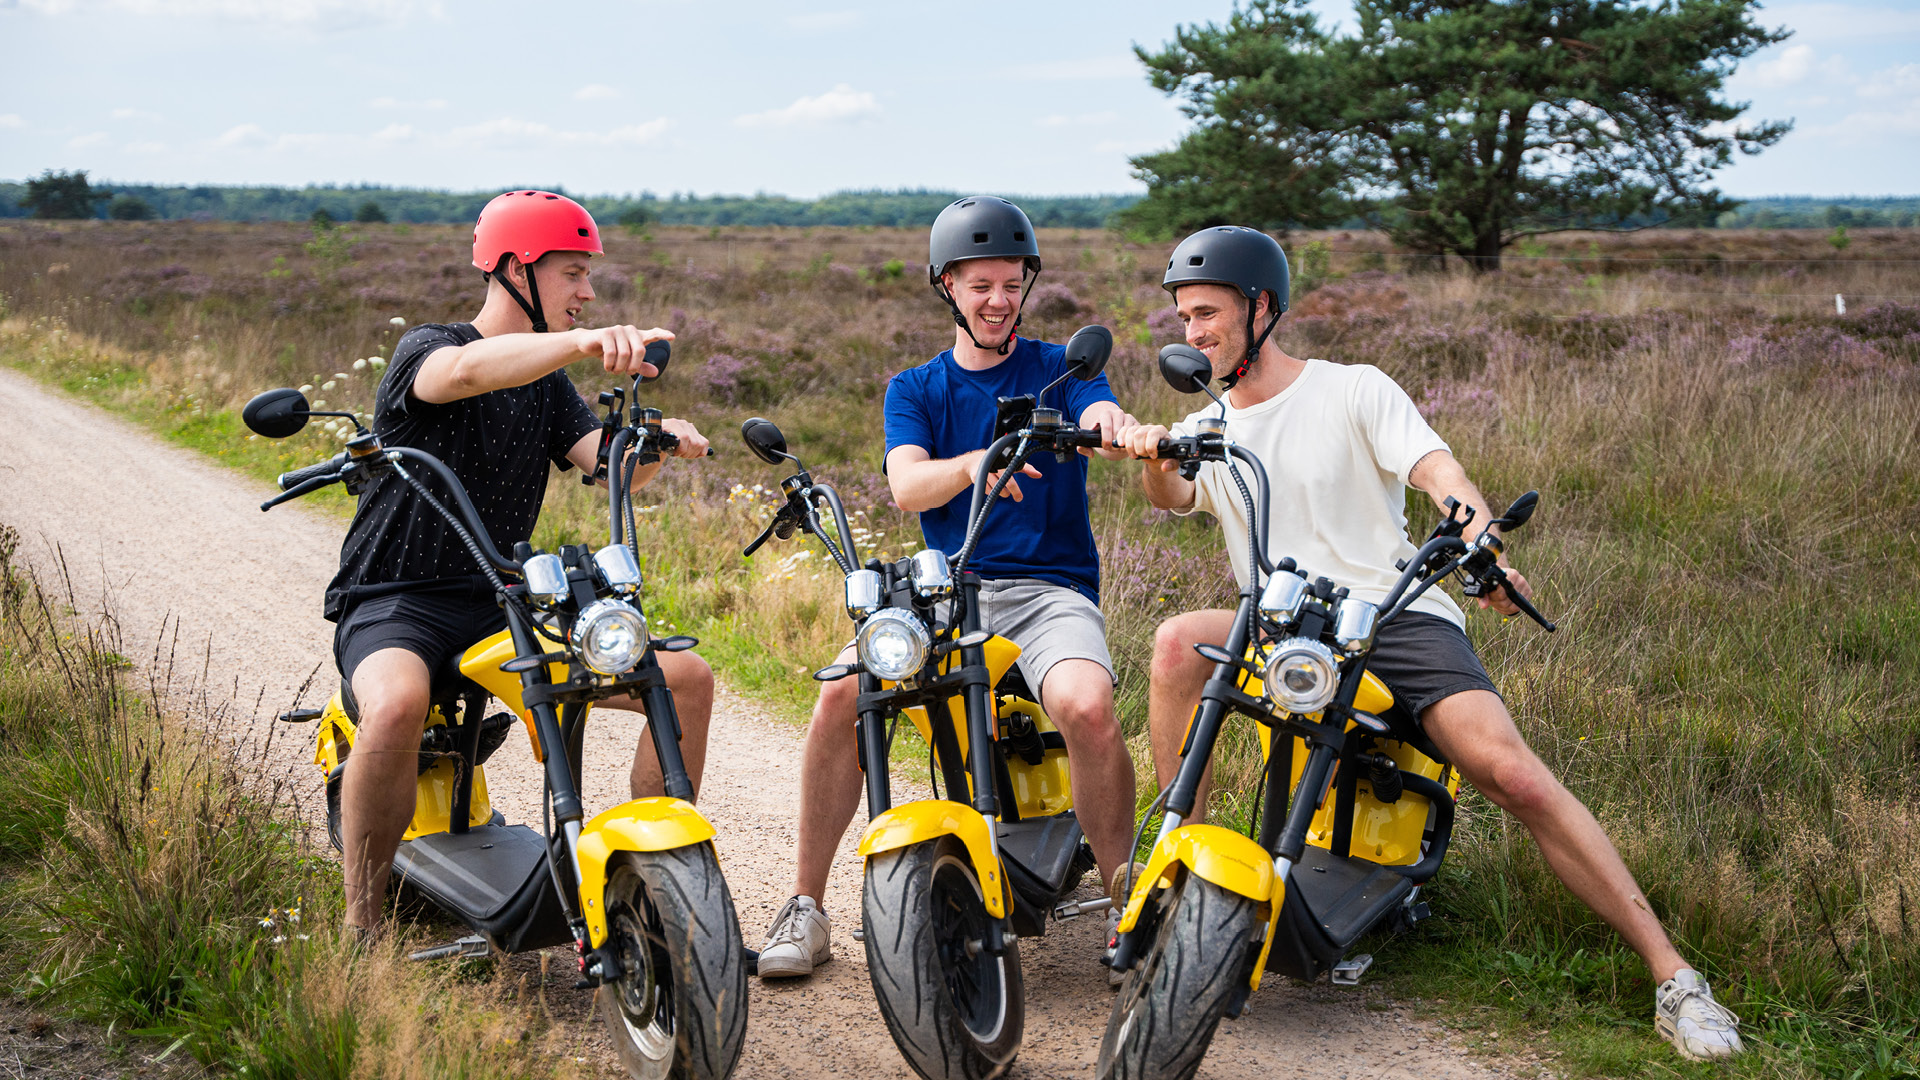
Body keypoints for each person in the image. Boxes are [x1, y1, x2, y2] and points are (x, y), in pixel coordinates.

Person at [1114, 226, 1744, 1062]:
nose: (1192, 332)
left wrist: (1485, 546)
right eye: (1184, 317)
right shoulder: (1211, 420)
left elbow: (1439, 476)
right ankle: (1179, 874)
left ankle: (1675, 979)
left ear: (1261, 308)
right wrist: (1155, 452)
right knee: (1171, 647)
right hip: (1281, 620)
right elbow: (1171, 497)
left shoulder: (1353, 390)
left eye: (1208, 314)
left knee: (1510, 772)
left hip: (1393, 616)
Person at [756, 196, 1140, 979]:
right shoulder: (916, 388)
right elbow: (906, 487)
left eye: (1010, 284)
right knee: (839, 698)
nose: (998, 300)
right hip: (945, 593)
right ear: (946, 287)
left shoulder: (1055, 368)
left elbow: (1099, 405)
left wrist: (1115, 424)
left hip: (1047, 591)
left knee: (1087, 708)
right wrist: (978, 463)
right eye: (980, 285)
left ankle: (1124, 899)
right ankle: (805, 905)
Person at [325, 190, 714, 937]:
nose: (588, 293)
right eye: (572, 274)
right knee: (399, 704)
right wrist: (583, 342)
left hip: (497, 604)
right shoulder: (428, 349)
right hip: (393, 597)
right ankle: (361, 925)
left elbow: (609, 467)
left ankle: (656, 889)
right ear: (513, 270)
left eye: (588, 278)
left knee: (686, 680)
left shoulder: (546, 383)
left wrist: (658, 442)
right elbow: (467, 373)